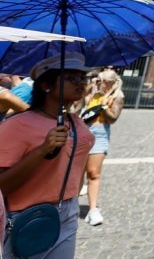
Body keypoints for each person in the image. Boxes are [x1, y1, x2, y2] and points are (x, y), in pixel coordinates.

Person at [0, 52, 95, 259]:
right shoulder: (17, 125)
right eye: (72, 78)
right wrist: (42, 151)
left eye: (83, 78)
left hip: (68, 211)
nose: (81, 83)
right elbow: (1, 187)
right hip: (27, 216)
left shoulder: (76, 123)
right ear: (46, 86)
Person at [82, 67, 125, 226]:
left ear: (113, 83)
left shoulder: (117, 96)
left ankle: (93, 210)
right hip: (83, 129)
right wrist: (90, 87)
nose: (102, 84)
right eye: (100, 80)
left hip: (100, 132)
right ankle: (70, 206)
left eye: (106, 82)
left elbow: (113, 119)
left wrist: (105, 107)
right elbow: (79, 102)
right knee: (78, 171)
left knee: (93, 173)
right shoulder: (93, 91)